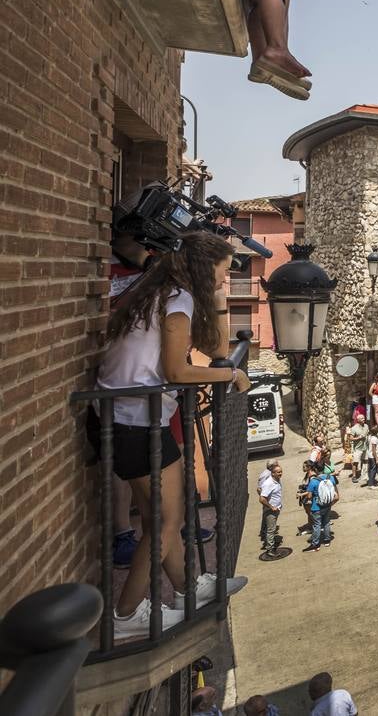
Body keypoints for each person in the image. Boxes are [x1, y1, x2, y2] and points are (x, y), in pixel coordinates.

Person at [97, 231, 249, 639]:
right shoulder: (178, 299)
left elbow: (202, 346)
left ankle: (186, 588)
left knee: (157, 516)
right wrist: (230, 373)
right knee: (167, 519)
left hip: (125, 415)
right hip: (138, 421)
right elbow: (177, 372)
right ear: (203, 268)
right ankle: (126, 616)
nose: (223, 280)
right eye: (221, 272)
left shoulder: (158, 293)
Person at [257, 460, 284, 560]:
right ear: (272, 473)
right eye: (278, 472)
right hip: (271, 511)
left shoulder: (276, 480)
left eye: (281, 471)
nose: (280, 473)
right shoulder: (268, 483)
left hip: (276, 508)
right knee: (271, 530)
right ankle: (270, 550)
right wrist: (271, 507)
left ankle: (269, 544)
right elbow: (262, 498)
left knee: (270, 528)